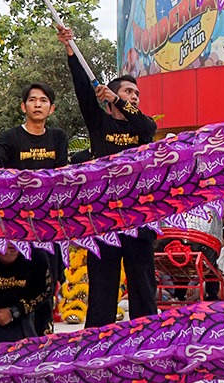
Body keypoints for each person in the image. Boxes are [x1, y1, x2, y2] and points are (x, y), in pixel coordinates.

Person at [58, 25, 159, 326]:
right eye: (129, 91)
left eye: (136, 94)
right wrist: (70, 49)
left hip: (139, 216)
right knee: (102, 287)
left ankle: (146, 336)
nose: (134, 97)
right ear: (111, 95)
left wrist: (118, 100)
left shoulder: (141, 128)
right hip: (103, 217)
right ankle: (98, 341)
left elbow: (148, 127)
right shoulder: (99, 124)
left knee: (143, 285)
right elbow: (82, 90)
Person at [0, 81, 68, 335]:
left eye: (43, 101)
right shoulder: (10, 137)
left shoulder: (58, 137)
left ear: (51, 108)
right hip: (16, 223)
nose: (38, 105)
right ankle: (16, 336)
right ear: (23, 107)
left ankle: (45, 337)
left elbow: (63, 176)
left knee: (47, 281)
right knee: (18, 281)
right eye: (32, 100)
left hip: (49, 224)